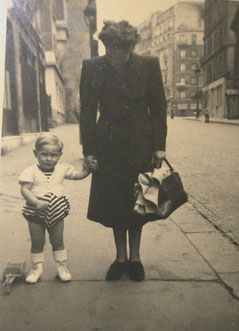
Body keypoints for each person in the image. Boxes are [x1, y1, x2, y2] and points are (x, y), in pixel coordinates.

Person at [80, 20, 167, 281]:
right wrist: (89, 150)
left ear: (129, 47)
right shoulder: (92, 66)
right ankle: (120, 258)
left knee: (139, 200)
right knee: (115, 202)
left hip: (140, 143)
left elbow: (159, 107)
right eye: (108, 49)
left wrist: (159, 147)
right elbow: (87, 111)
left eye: (117, 51)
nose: (112, 56)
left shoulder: (148, 65)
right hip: (107, 144)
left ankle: (136, 258)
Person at [18, 132, 94, 284]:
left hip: (57, 210)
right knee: (37, 241)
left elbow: (77, 175)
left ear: (60, 155)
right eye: (44, 154)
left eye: (53, 155)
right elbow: (25, 189)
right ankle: (37, 268)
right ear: (36, 153)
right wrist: (35, 202)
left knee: (57, 240)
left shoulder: (62, 169)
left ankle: (61, 267)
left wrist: (88, 170)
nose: (48, 158)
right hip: (35, 212)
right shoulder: (30, 171)